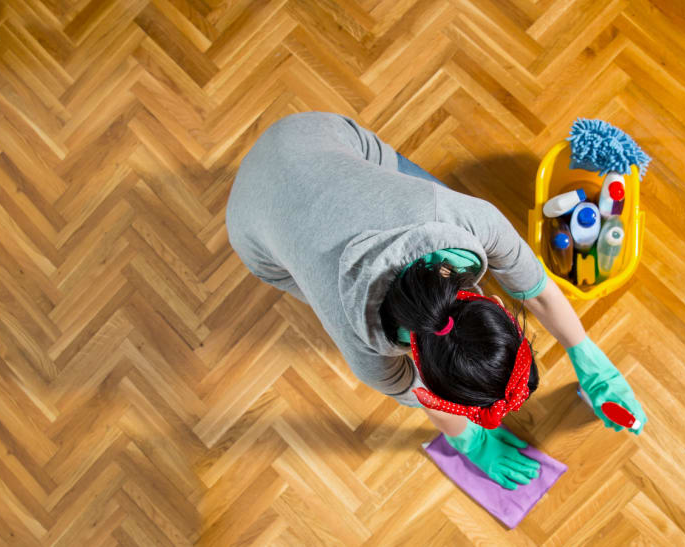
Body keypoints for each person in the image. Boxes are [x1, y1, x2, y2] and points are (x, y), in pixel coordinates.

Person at [225, 112, 646, 490]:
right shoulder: (364, 350)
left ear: (496, 308)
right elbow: (424, 395)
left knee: (411, 189)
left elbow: (535, 289)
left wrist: (586, 354)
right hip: (255, 226)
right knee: (309, 271)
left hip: (315, 136)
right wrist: (469, 443)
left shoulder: (465, 218)